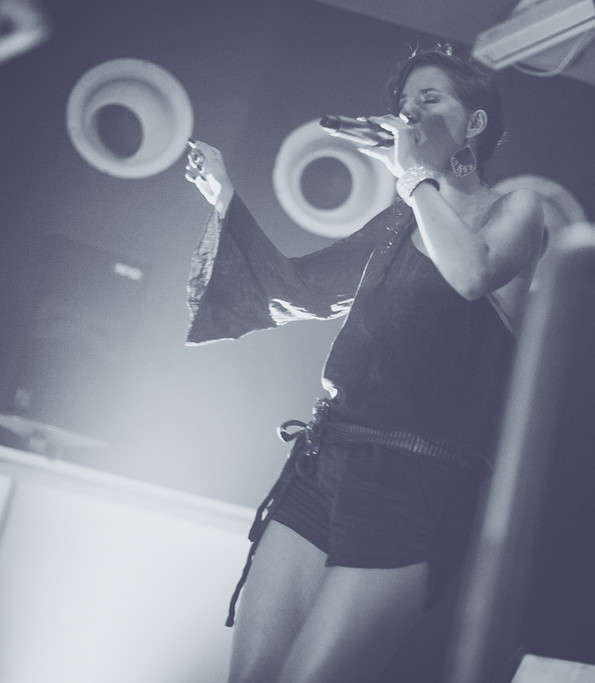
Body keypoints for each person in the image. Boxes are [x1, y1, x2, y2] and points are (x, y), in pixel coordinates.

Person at [183, 47, 545, 683]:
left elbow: (471, 272)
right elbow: (301, 291)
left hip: (413, 480)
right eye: (404, 104)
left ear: (475, 123)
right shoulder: (401, 220)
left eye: (430, 99)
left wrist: (414, 179)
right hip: (324, 461)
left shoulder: (514, 209)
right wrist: (225, 196)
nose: (410, 113)